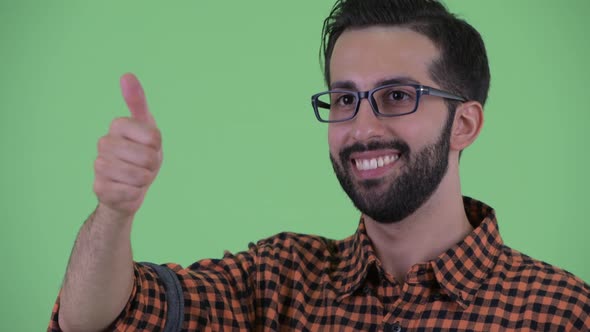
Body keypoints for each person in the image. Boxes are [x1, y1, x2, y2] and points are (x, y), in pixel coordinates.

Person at [49, 0, 590, 331]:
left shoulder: (563, 312)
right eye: (344, 98)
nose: (361, 127)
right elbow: (98, 320)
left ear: (466, 124)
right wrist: (114, 211)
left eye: (397, 95)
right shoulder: (276, 280)